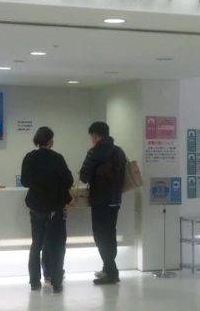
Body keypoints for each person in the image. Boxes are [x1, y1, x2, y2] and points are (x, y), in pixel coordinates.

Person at [21, 127, 73, 292]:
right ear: (50, 141)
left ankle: (34, 281)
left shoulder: (29, 157)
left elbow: (24, 181)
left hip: (36, 207)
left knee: (36, 244)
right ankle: (56, 282)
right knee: (56, 245)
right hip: (54, 208)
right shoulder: (57, 158)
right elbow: (68, 180)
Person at [79, 121, 126, 285]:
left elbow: (84, 176)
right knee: (110, 235)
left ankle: (112, 272)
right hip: (115, 200)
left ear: (95, 135)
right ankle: (108, 268)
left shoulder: (94, 152)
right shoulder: (119, 151)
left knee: (100, 236)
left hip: (100, 200)